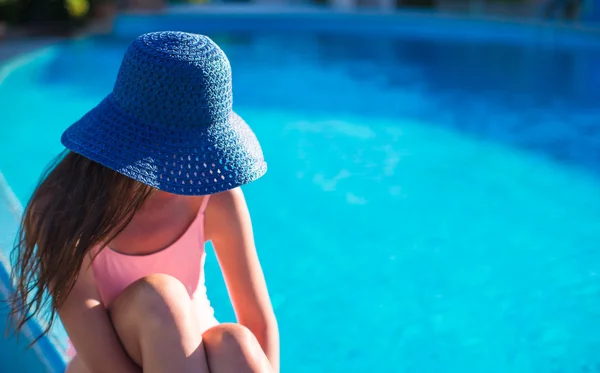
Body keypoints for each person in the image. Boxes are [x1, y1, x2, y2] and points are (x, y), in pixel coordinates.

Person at [8, 31, 279, 373]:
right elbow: (100, 356)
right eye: (181, 148)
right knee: (160, 298)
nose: (192, 163)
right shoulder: (62, 208)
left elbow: (257, 321)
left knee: (236, 343)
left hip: (197, 359)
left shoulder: (215, 199)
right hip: (101, 364)